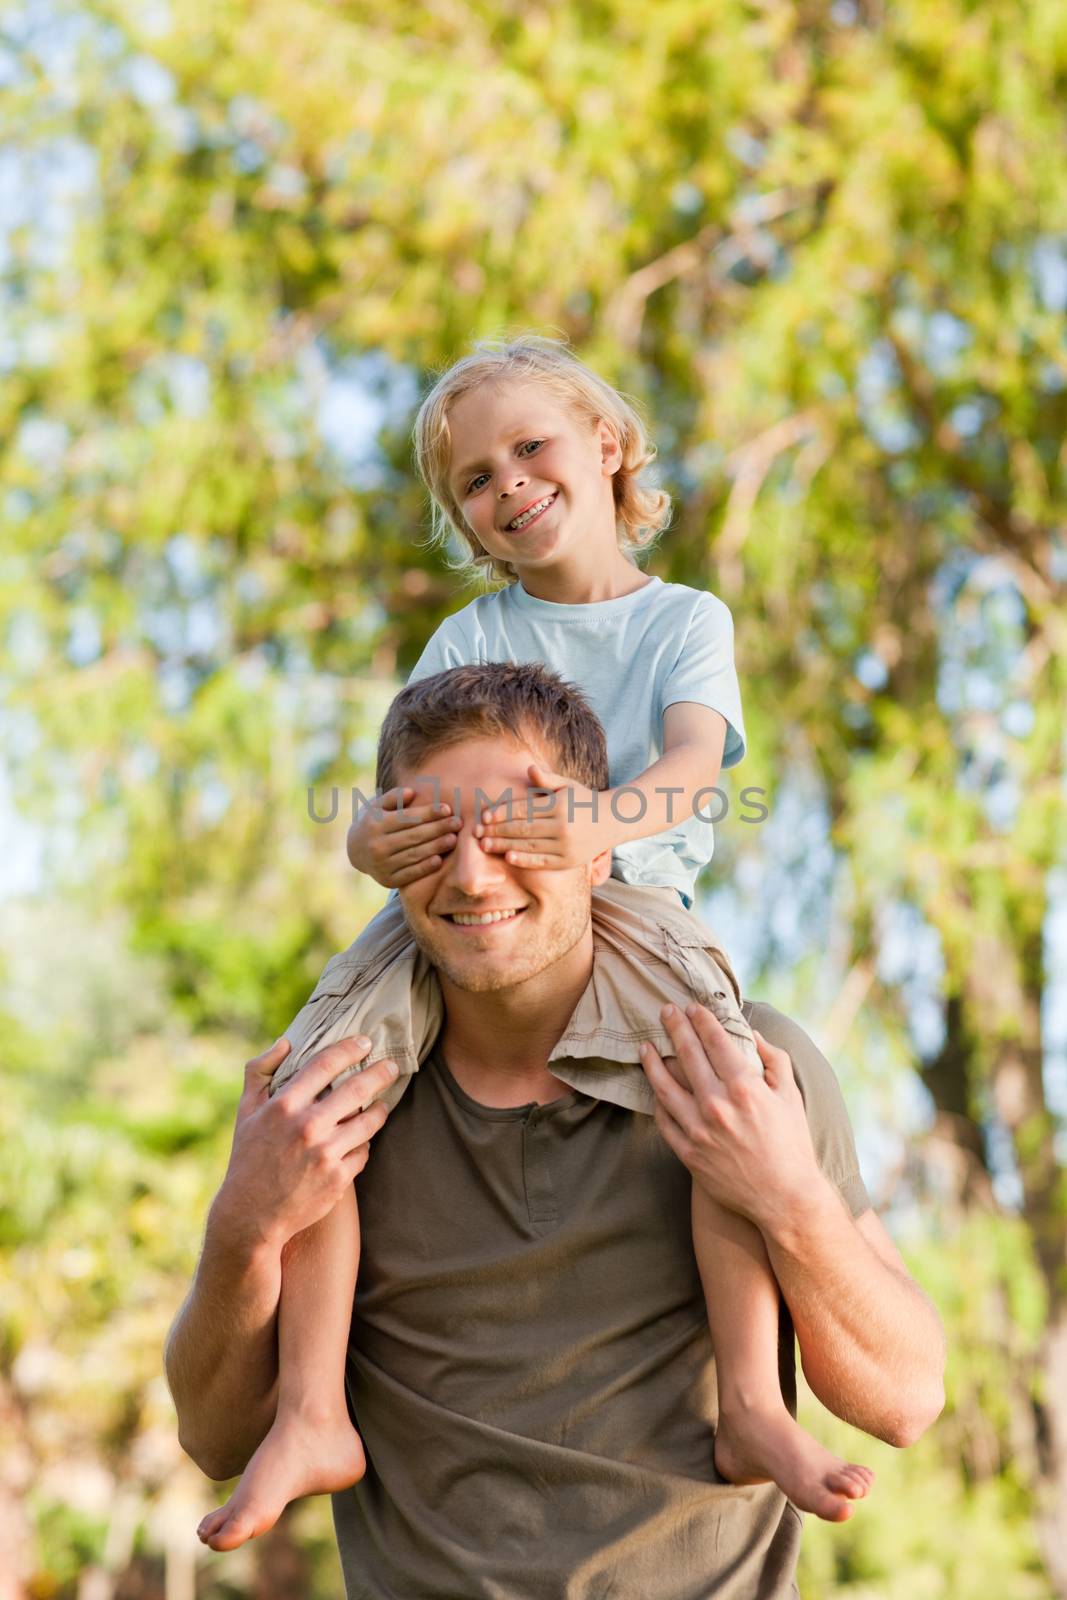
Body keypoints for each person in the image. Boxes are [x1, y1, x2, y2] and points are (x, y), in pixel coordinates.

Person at [166, 663, 946, 1598]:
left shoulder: (745, 1071)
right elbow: (213, 1439)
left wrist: (786, 1196)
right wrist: (244, 1223)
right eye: (430, 838)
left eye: (514, 832)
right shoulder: (325, 1106)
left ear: (596, 847)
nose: (468, 874)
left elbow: (903, 1402)